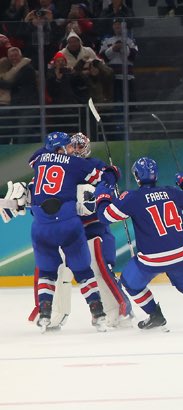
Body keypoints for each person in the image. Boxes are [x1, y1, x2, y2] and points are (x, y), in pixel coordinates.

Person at [93, 157, 183, 331]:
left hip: (152, 259)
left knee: (130, 283)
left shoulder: (133, 198)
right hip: (181, 254)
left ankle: (155, 315)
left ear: (137, 176)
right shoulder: (172, 192)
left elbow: (105, 216)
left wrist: (102, 195)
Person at [26, 132, 117, 332]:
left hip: (41, 225)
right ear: (61, 149)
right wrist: (112, 174)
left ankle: (45, 312)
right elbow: (105, 176)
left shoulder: (40, 159)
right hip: (69, 223)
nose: (73, 149)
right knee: (84, 270)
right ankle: (98, 311)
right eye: (68, 146)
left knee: (47, 271)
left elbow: (33, 159)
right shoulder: (76, 164)